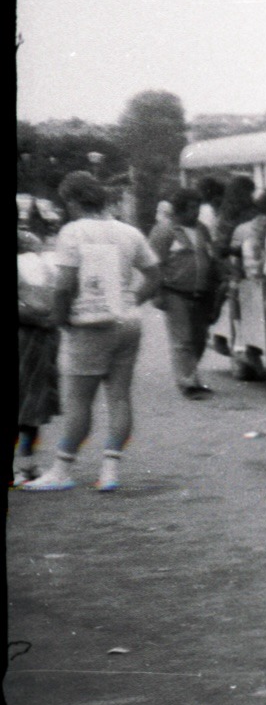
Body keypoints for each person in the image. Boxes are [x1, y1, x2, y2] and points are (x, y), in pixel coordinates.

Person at [24, 172, 159, 492]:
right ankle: (110, 471)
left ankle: (61, 469)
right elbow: (154, 274)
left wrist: (57, 320)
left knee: (79, 401)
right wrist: (131, 300)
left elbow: (65, 285)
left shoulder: (73, 232)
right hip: (127, 320)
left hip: (89, 325)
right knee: (120, 396)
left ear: (72, 200)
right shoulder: (129, 232)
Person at [149, 186, 218, 397]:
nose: (195, 212)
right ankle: (188, 382)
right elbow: (154, 264)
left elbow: (210, 255)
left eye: (197, 207)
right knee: (183, 340)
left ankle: (191, 373)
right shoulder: (165, 231)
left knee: (199, 338)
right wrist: (156, 293)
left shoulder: (202, 229)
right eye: (190, 208)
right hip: (174, 291)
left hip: (201, 292)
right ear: (179, 210)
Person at [15, 230, 61, 484]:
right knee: (32, 400)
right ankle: (28, 465)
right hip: (42, 338)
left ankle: (27, 464)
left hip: (26, 334)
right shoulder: (46, 265)